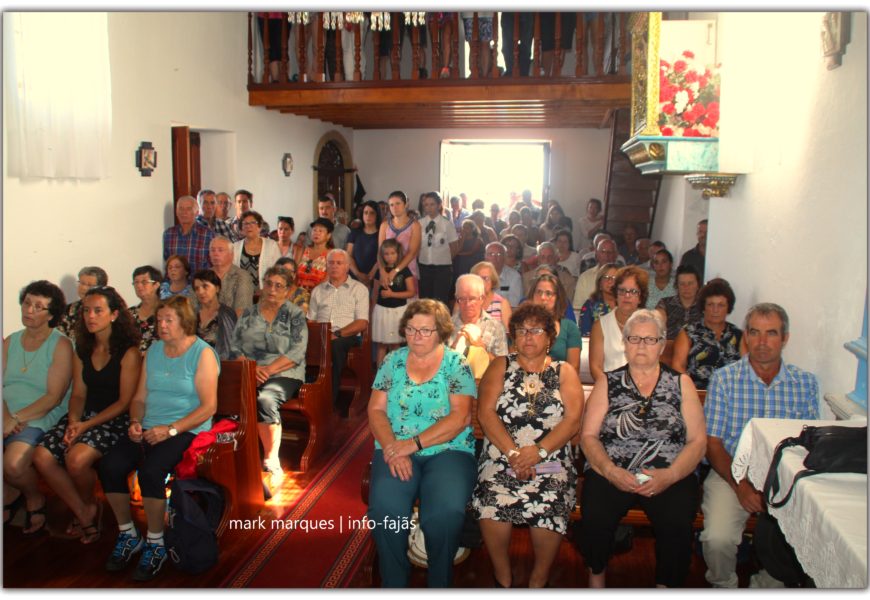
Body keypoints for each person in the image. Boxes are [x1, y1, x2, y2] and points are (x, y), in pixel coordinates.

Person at [579, 309, 706, 588]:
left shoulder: (681, 383)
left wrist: (670, 475)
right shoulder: (607, 382)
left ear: (662, 345)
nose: (641, 346)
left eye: (650, 340)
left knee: (677, 521)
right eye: (634, 338)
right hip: (612, 469)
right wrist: (611, 471)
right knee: (595, 514)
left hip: (667, 473)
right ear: (624, 343)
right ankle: (596, 578)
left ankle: (665, 586)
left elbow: (698, 441)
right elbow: (588, 436)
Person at [98, 296, 218, 581]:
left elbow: (208, 407)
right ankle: (128, 534)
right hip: (150, 426)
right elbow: (139, 397)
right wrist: (136, 421)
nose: (161, 326)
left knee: (151, 471)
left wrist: (172, 429)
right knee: (110, 466)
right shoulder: (153, 350)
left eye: (168, 320)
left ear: (184, 322)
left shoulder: (202, 353)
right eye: (158, 320)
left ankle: (156, 542)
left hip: (186, 428)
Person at [701, 303, 819, 589]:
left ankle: (764, 587)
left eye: (772, 333)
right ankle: (723, 585)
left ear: (785, 338)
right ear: (746, 337)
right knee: (717, 539)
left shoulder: (804, 383)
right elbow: (713, 444)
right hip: (731, 472)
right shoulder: (725, 379)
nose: (762, 342)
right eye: (754, 333)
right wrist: (741, 484)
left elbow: (807, 447)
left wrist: (776, 485)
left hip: (783, 478)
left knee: (797, 541)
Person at [471, 303, 584, 588]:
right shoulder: (500, 366)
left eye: (536, 330)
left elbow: (572, 421)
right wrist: (512, 453)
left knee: (552, 496)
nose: (528, 337)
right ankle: (503, 576)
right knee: (492, 495)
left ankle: (539, 579)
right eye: (521, 331)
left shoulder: (565, 372)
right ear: (513, 336)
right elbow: (485, 413)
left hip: (551, 458)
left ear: (549, 338)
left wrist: (539, 451)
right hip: (502, 455)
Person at [367, 299, 477, 588]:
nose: (416, 336)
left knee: (444, 513)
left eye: (425, 331)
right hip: (396, 449)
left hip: (448, 450)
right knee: (386, 509)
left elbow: (461, 417)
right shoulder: (392, 361)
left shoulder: (457, 364)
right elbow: (376, 410)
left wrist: (411, 445)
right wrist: (393, 447)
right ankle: (394, 584)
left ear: (441, 332)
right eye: (411, 329)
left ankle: (439, 583)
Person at [32, 286, 141, 544]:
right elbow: (79, 394)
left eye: (98, 311)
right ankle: (85, 509)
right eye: (86, 311)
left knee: (76, 459)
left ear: (114, 314)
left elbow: (125, 402)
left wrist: (85, 425)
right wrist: (73, 421)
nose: (90, 316)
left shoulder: (129, 352)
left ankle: (90, 504)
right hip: (84, 416)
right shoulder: (82, 348)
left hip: (114, 419)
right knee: (42, 455)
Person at [3, 281, 73, 534]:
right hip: (6, 412)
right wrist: (5, 417)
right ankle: (9, 492)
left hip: (40, 413)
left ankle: (34, 497)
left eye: (38, 306)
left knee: (12, 464)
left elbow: (53, 397)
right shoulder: (10, 341)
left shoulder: (61, 345)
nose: (29, 310)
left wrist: (15, 418)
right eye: (27, 303)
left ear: (51, 315)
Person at [230, 267, 307, 485]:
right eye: (269, 283)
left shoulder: (295, 315)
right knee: (228, 394)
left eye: (278, 285)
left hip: (286, 372)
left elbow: (296, 353)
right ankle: (236, 451)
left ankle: (271, 459)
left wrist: (267, 371)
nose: (272, 289)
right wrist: (252, 369)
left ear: (289, 290)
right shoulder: (248, 314)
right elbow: (234, 349)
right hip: (251, 370)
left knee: (265, 399)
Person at [307, 249, 370, 416]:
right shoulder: (318, 290)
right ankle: (304, 395)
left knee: (333, 345)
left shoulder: (359, 289)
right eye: (331, 263)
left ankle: (328, 401)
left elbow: (362, 322)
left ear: (347, 267)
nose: (334, 266)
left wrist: (338, 334)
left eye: (339, 263)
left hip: (346, 336)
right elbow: (311, 320)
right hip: (319, 335)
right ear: (326, 266)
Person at [671, 278, 742, 390]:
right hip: (697, 394)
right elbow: (677, 367)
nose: (715, 310)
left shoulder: (738, 334)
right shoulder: (688, 333)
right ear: (704, 307)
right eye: (710, 304)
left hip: (732, 396)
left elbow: (747, 368)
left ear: (728, 307)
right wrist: (689, 391)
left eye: (721, 305)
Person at [589, 265, 648, 381]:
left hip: (643, 387)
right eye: (622, 290)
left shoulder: (650, 325)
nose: (627, 296)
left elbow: (654, 364)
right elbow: (595, 367)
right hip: (610, 389)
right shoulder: (600, 326)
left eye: (633, 291)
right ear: (616, 294)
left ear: (640, 297)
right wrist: (611, 388)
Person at [448, 274, 509, 381]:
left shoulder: (495, 327)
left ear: (482, 299)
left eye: (472, 299)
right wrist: (453, 347)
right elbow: (439, 367)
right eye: (462, 299)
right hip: (453, 385)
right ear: (456, 298)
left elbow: (504, 368)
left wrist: (481, 348)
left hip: (485, 386)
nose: (467, 304)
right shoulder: (447, 325)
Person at [372, 240, 416, 365]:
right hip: (381, 311)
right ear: (382, 255)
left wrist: (392, 294)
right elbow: (375, 293)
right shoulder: (380, 271)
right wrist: (371, 311)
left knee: (395, 344)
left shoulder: (404, 271)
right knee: (381, 345)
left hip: (398, 311)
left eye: (393, 253)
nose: (390, 257)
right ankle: (380, 377)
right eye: (386, 254)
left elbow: (411, 292)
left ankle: (396, 374)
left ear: (398, 254)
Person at [529, 273, 581, 371]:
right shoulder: (521, 325)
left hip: (561, 381)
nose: (543, 297)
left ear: (557, 298)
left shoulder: (570, 327)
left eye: (548, 293)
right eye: (538, 292)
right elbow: (514, 361)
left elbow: (574, 368)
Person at [417, 192, 459, 305]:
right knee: (425, 302)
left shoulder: (447, 224)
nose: (429, 208)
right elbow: (416, 246)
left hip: (442, 270)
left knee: (440, 302)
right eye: (426, 205)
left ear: (439, 205)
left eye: (432, 204)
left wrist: (443, 260)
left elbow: (454, 247)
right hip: (424, 268)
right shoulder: (419, 224)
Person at [192, 269, 238, 360]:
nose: (200, 292)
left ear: (217, 288)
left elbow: (230, 347)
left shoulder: (227, 314)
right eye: (197, 288)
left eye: (205, 286)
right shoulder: (192, 314)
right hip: (194, 362)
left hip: (220, 363)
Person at [378, 190, 421, 287]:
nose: (395, 207)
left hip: (408, 270)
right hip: (387, 271)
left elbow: (412, 252)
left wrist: (395, 270)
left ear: (406, 204)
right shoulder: (384, 225)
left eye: (398, 203)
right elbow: (380, 251)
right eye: (391, 205)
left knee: (409, 301)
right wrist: (382, 271)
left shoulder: (415, 225)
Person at [162, 195, 215, 273]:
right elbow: (167, 261)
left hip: (198, 283)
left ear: (197, 212)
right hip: (175, 283)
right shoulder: (168, 234)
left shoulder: (208, 235)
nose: (184, 212)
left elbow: (213, 264)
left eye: (189, 209)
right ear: (176, 212)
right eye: (181, 208)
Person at [232, 210, 282, 292]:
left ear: (259, 226)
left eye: (253, 223)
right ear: (241, 228)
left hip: (266, 293)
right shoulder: (235, 247)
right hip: (242, 294)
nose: (249, 226)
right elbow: (233, 273)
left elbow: (279, 270)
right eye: (245, 224)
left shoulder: (271, 245)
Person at [209, 236, 255, 317]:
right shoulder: (203, 275)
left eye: (220, 250)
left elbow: (242, 312)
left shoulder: (242, 276)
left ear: (231, 254)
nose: (215, 254)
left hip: (231, 326)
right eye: (212, 250)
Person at [57, 266, 108, 337]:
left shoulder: (108, 309)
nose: (84, 288)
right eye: (82, 283)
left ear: (101, 287)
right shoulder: (68, 310)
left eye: (89, 285)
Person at [573, 239, 619, 317]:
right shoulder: (585, 277)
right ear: (596, 254)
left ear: (616, 255)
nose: (607, 255)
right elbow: (577, 309)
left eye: (610, 252)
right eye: (603, 252)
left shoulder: (624, 276)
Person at [656, 265, 703, 340]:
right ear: (677, 285)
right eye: (682, 283)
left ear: (698, 285)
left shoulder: (705, 306)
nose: (686, 287)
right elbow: (657, 325)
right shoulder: (665, 304)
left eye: (690, 283)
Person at [578, 262, 619, 336]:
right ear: (599, 283)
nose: (610, 281)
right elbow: (584, 334)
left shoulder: (625, 303)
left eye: (614, 278)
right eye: (606, 277)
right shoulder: (589, 305)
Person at [346, 200, 381, 287]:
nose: (368, 216)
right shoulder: (354, 233)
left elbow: (383, 256)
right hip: (354, 277)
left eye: (372, 213)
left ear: (377, 215)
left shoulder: (382, 234)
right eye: (365, 213)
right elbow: (348, 255)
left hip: (375, 277)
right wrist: (358, 274)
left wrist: (370, 276)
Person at [295, 217, 334, 292]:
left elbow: (328, 279)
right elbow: (294, 274)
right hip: (298, 295)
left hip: (319, 295)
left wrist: (313, 294)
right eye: (314, 230)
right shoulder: (302, 250)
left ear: (328, 235)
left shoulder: (331, 254)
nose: (316, 233)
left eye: (320, 231)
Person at [129, 265, 162, 354]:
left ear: (156, 285)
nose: (139, 286)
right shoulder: (129, 313)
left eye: (144, 282)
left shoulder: (166, 311)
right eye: (136, 282)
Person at [471, 261, 512, 330]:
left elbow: (510, 333)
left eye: (486, 278)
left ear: (493, 281)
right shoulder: (464, 301)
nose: (482, 282)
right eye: (478, 278)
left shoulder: (502, 303)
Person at [484, 242, 523, 308]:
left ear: (505, 257)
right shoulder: (477, 274)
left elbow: (514, 305)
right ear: (485, 256)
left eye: (499, 254)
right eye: (491, 254)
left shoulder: (514, 277)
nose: (495, 257)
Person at [452, 219, 486, 287]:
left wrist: (458, 254)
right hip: (462, 261)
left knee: (461, 260)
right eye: (463, 228)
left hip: (473, 261)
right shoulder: (461, 239)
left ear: (472, 229)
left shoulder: (477, 240)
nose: (464, 229)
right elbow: (458, 249)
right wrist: (462, 239)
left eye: (467, 228)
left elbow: (471, 252)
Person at [460, 12, 495, 76]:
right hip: (469, 13)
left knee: (483, 45)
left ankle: (483, 76)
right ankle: (476, 75)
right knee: (475, 46)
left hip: (485, 12)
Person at [679, 219, 707, 283]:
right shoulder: (687, 257)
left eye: (706, 232)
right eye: (700, 232)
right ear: (697, 233)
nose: (703, 235)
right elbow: (681, 279)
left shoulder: (718, 257)